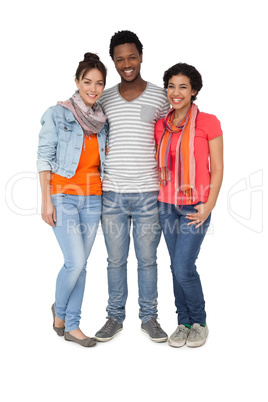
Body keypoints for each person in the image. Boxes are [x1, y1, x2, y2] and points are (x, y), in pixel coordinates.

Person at [94, 30, 170, 343]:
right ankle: (114, 316)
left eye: (132, 57)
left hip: (149, 193)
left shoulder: (160, 97)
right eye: (120, 59)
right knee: (114, 260)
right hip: (111, 193)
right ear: (113, 62)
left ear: (141, 56)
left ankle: (149, 318)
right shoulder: (104, 97)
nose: (127, 63)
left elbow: (171, 135)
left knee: (148, 259)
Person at [37, 53, 108, 347]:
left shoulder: (102, 120)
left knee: (82, 264)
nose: (93, 88)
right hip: (63, 195)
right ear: (77, 82)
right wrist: (46, 201)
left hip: (93, 199)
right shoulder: (58, 114)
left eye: (99, 83)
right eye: (87, 81)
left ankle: (70, 323)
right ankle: (63, 313)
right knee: (74, 261)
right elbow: (44, 158)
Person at [155, 63, 223, 348]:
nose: (176, 92)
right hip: (165, 205)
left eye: (183, 86)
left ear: (194, 91)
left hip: (195, 205)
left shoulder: (208, 122)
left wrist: (209, 206)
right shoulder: (162, 124)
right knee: (175, 267)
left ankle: (199, 322)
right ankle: (182, 322)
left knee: (184, 267)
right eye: (171, 86)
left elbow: (217, 168)